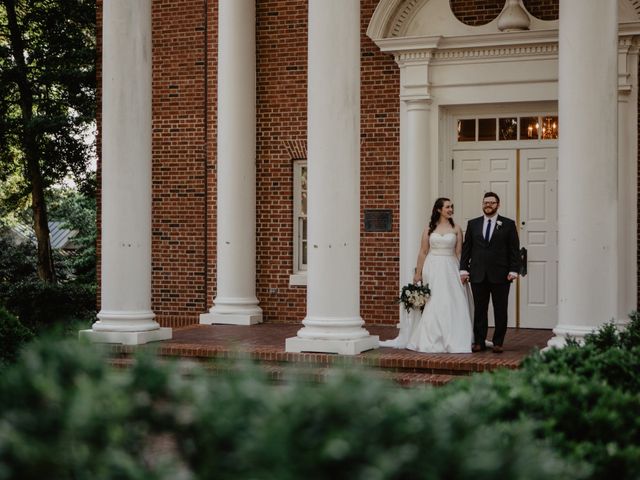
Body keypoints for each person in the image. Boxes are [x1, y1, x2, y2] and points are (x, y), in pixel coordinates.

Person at [381, 198, 473, 353]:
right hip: (432, 267)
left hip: (451, 267)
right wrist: (418, 273)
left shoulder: (457, 228)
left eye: (452, 207)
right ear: (439, 210)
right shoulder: (429, 229)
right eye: (447, 207)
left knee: (452, 301)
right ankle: (431, 337)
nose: (450, 209)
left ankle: (455, 337)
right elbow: (423, 252)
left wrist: (463, 271)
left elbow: (459, 252)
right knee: (434, 301)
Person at [460, 192, 520, 354]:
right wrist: (464, 269)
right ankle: (479, 341)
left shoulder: (508, 224)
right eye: (486, 202)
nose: (488, 205)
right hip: (478, 274)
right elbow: (467, 249)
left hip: (501, 274)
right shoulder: (473, 224)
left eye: (492, 203)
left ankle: (498, 342)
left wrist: (514, 270)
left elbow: (514, 250)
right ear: (482, 204)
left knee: (501, 309)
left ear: (498, 205)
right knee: (480, 310)